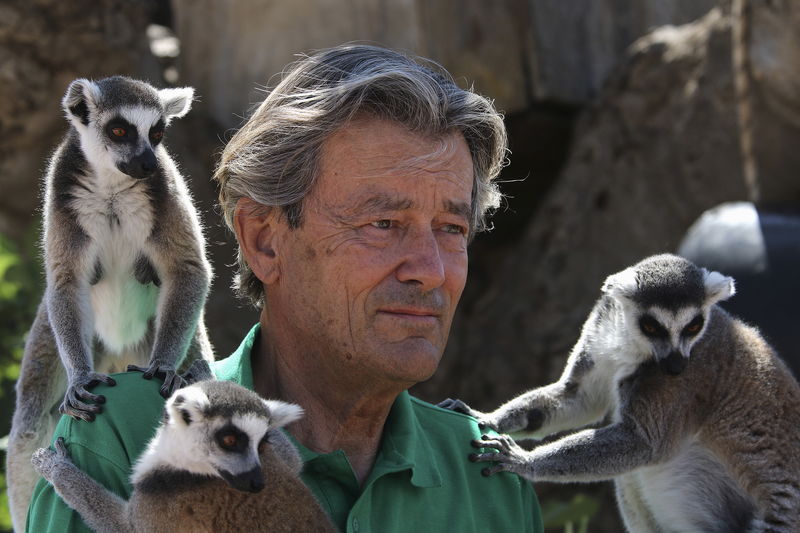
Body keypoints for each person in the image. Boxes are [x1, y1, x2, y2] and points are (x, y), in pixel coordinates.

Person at [27, 44, 544, 532]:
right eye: (383, 224)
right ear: (265, 242)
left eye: (452, 229)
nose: (430, 270)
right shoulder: (124, 431)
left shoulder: (490, 473)